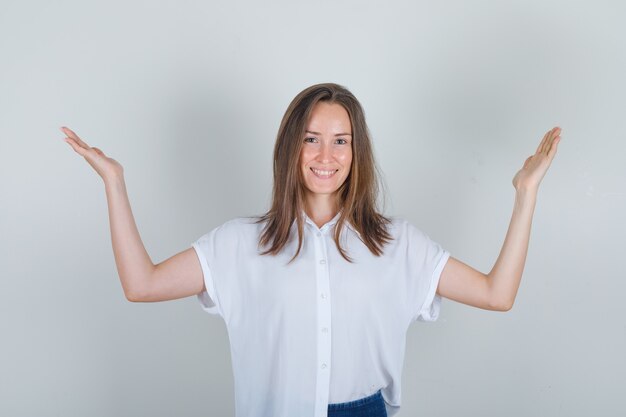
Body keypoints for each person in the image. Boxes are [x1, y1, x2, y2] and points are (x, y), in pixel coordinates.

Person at [62, 82, 562, 417]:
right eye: (312, 139)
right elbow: (141, 285)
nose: (327, 156)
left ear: (356, 152)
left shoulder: (396, 244)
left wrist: (526, 194)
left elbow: (498, 294)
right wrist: (114, 182)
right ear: (290, 148)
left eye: (341, 141)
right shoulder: (240, 244)